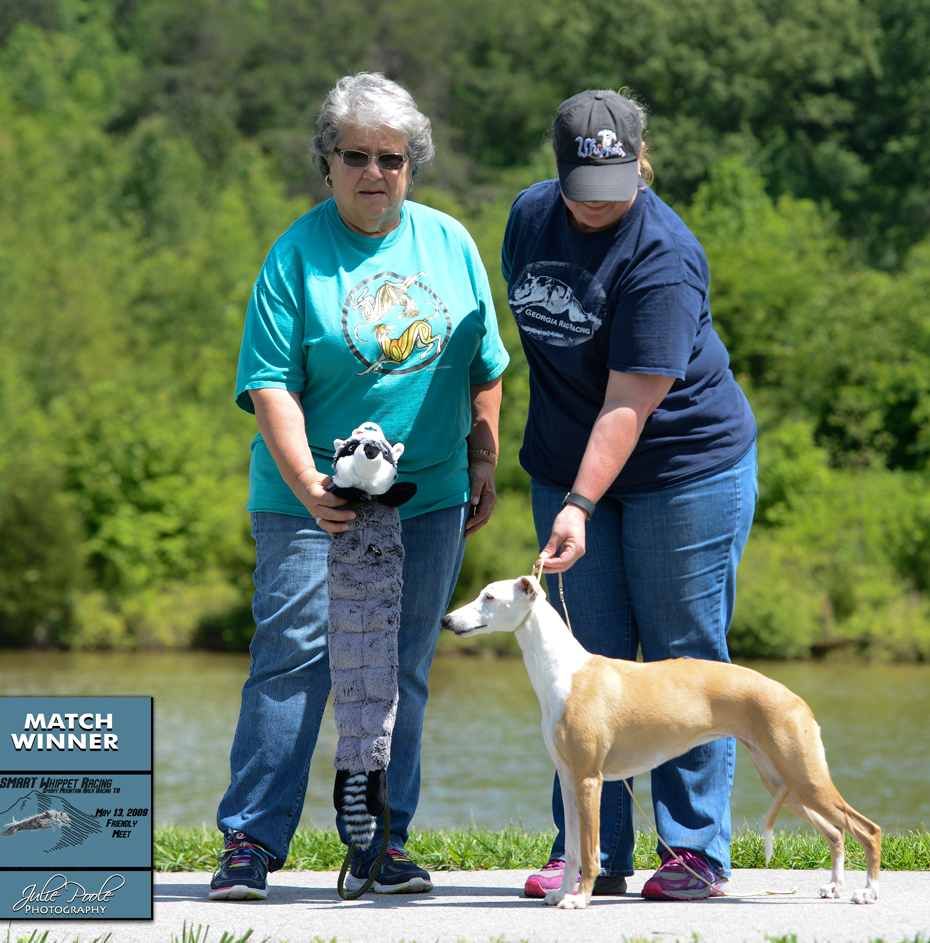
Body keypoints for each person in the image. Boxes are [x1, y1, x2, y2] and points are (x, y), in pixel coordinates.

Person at [211, 72, 509, 900]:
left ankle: (379, 845)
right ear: (327, 162)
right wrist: (308, 482)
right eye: (357, 156)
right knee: (296, 660)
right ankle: (250, 843)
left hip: (428, 496)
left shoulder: (450, 243)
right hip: (311, 497)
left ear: (412, 164)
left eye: (394, 157)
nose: (376, 172)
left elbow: (486, 364)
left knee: (401, 668)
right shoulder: (295, 255)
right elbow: (269, 382)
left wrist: (484, 457)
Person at [501, 89, 758, 901]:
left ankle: (693, 851)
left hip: (683, 468)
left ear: (641, 163)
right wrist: (555, 479)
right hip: (568, 466)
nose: (598, 209)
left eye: (616, 190)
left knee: (685, 657)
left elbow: (627, 403)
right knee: (583, 661)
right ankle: (588, 852)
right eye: (584, 192)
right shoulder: (528, 217)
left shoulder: (664, 253)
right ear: (559, 174)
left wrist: (577, 500)